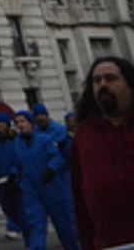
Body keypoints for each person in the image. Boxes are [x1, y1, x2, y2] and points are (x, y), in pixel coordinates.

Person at [70, 56, 134, 250]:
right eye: (96, 81)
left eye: (111, 78)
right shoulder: (84, 136)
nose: (103, 85)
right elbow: (79, 200)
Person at [13, 110, 78, 250]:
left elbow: (56, 157)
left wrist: (51, 169)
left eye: (22, 121)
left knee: (64, 226)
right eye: (17, 122)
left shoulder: (44, 139)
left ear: (30, 123)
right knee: (36, 225)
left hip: (51, 187)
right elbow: (17, 164)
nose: (20, 125)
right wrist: (16, 179)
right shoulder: (17, 143)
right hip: (31, 190)